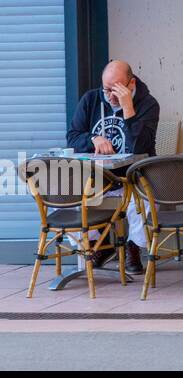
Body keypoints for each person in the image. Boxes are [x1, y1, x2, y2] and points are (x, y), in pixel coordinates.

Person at [66, 60, 160, 274]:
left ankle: (134, 247)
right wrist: (93, 139)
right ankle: (98, 243)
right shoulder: (91, 100)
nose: (110, 96)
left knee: (145, 200)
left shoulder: (148, 104)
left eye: (116, 89)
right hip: (97, 177)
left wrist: (128, 108)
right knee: (62, 192)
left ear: (131, 84)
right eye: (106, 89)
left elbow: (141, 147)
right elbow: (72, 137)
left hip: (133, 175)